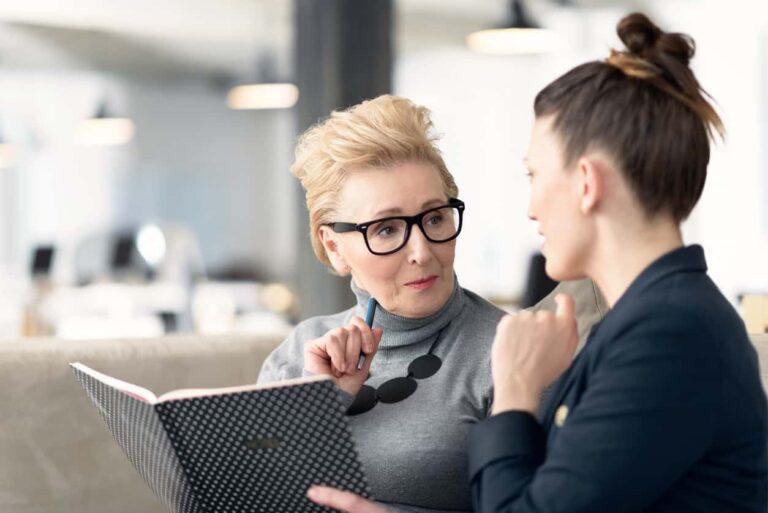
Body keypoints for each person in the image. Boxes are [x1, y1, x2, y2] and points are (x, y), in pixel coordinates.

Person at [308, 13, 768, 513]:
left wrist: (515, 393)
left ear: (586, 183)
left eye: (534, 174)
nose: (530, 208)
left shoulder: (668, 336)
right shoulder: (650, 325)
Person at [257, 95, 605, 513]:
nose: (422, 251)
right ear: (334, 247)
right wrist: (318, 407)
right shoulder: (300, 351)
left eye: (435, 218)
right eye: (386, 230)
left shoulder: (513, 353)